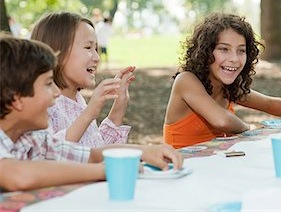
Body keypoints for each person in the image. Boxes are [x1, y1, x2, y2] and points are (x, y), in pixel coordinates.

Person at [0, 35, 182, 191]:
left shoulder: (32, 140)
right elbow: (18, 175)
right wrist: (106, 170)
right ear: (16, 98)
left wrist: (144, 151)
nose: (56, 92)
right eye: (48, 83)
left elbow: (93, 155)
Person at [163, 13, 281, 149]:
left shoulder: (227, 88)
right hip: (181, 170)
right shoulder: (186, 81)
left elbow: (269, 103)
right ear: (205, 52)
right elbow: (222, 121)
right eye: (224, 49)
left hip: (213, 167)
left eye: (241, 51)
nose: (234, 59)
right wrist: (249, 129)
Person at [31, 12, 135, 147]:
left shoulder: (77, 100)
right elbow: (51, 153)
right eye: (88, 47)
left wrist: (120, 104)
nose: (97, 57)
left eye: (96, 48)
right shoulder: (44, 106)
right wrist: (89, 113)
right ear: (57, 52)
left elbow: (96, 148)